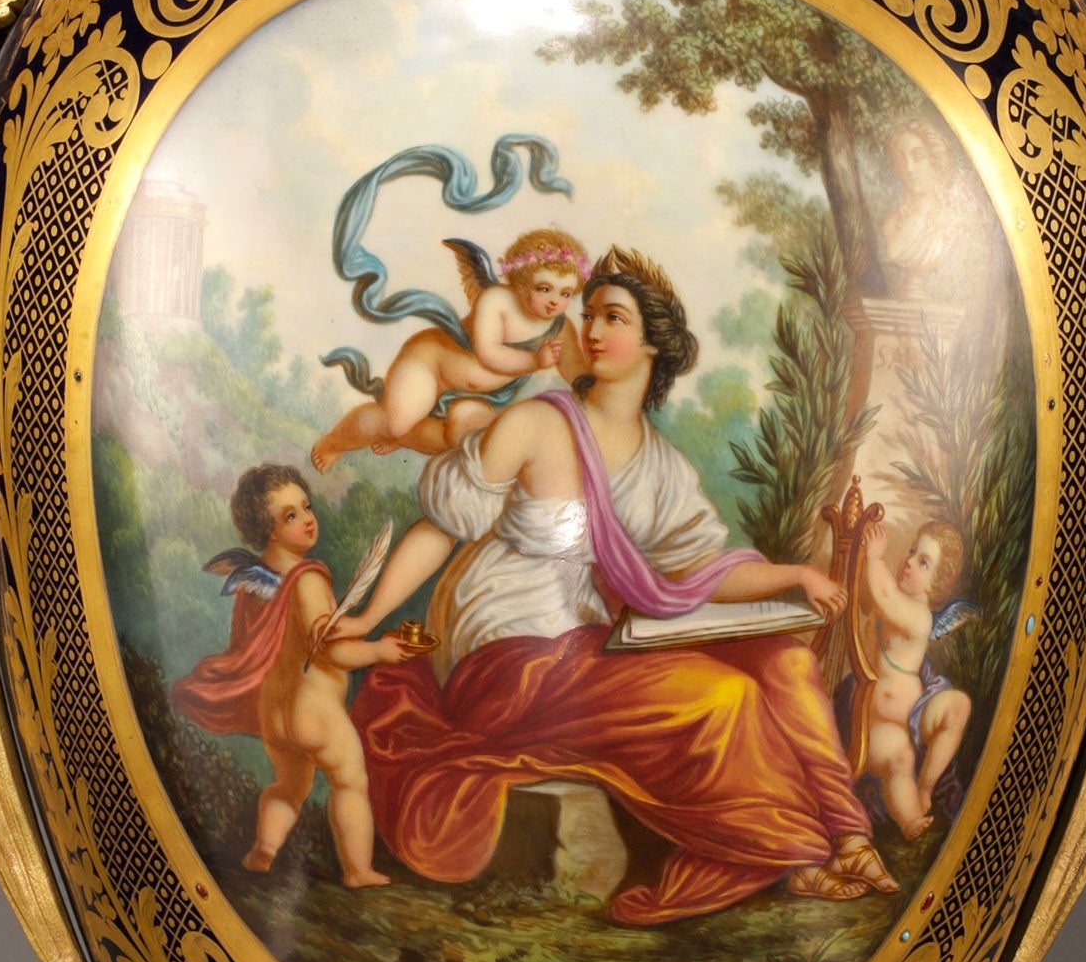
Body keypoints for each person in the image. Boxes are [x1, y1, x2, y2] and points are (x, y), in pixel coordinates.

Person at [333, 247, 897, 923]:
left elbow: (701, 569)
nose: (592, 330)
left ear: (655, 344)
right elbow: (439, 528)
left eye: (614, 317)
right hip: (511, 661)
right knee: (725, 696)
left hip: (596, 649)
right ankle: (796, 856)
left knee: (788, 662)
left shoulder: (661, 468)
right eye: (590, 314)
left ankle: (850, 838)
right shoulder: (538, 422)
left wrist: (797, 574)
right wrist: (366, 617)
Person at [170, 463, 422, 881]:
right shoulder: (307, 580)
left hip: (275, 714)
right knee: (350, 782)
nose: (307, 519)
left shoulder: (254, 583)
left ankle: (265, 849)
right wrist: (378, 650)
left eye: (306, 506)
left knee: (288, 787)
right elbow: (332, 651)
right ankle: (357, 869)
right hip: (315, 711)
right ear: (268, 530)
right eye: (290, 515)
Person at [310, 226, 588, 469]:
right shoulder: (497, 301)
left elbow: (578, 374)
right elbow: (488, 353)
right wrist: (534, 362)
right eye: (544, 289)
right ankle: (335, 441)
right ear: (522, 282)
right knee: (395, 422)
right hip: (431, 364)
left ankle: (406, 437)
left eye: (565, 293)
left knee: (465, 438)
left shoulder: (560, 328)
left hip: (479, 395)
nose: (555, 301)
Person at [861, 518, 973, 838]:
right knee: (899, 758)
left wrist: (874, 557)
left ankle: (926, 785)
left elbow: (884, 594)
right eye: (911, 552)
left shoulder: (919, 617)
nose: (909, 561)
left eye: (923, 562)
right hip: (883, 725)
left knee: (959, 705)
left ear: (935, 584)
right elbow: (875, 596)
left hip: (917, 714)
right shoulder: (892, 605)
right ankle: (910, 819)